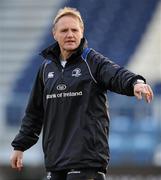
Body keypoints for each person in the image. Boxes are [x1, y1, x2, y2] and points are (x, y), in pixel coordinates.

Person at [10, 7, 153, 180]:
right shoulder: (46, 69)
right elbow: (34, 113)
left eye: (74, 30)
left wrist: (135, 83)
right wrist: (20, 146)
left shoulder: (92, 61)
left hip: (87, 161)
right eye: (64, 30)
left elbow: (116, 74)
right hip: (55, 162)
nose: (70, 34)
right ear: (54, 34)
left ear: (81, 32)